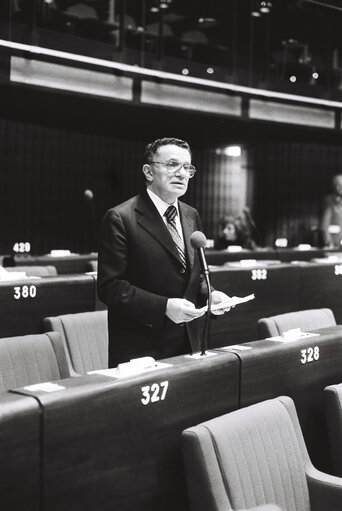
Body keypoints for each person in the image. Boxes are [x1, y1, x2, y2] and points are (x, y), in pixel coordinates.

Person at [98, 137, 231, 367]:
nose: (181, 173)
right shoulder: (120, 218)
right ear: (148, 172)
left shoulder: (191, 215)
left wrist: (209, 294)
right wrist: (164, 307)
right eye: (172, 165)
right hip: (142, 348)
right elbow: (111, 287)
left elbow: (194, 275)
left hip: (189, 344)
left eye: (187, 167)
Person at [320, 174, 342, 248]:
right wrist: (328, 242)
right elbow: (324, 225)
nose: (341, 187)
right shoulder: (329, 201)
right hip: (334, 243)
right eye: (338, 185)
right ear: (334, 186)